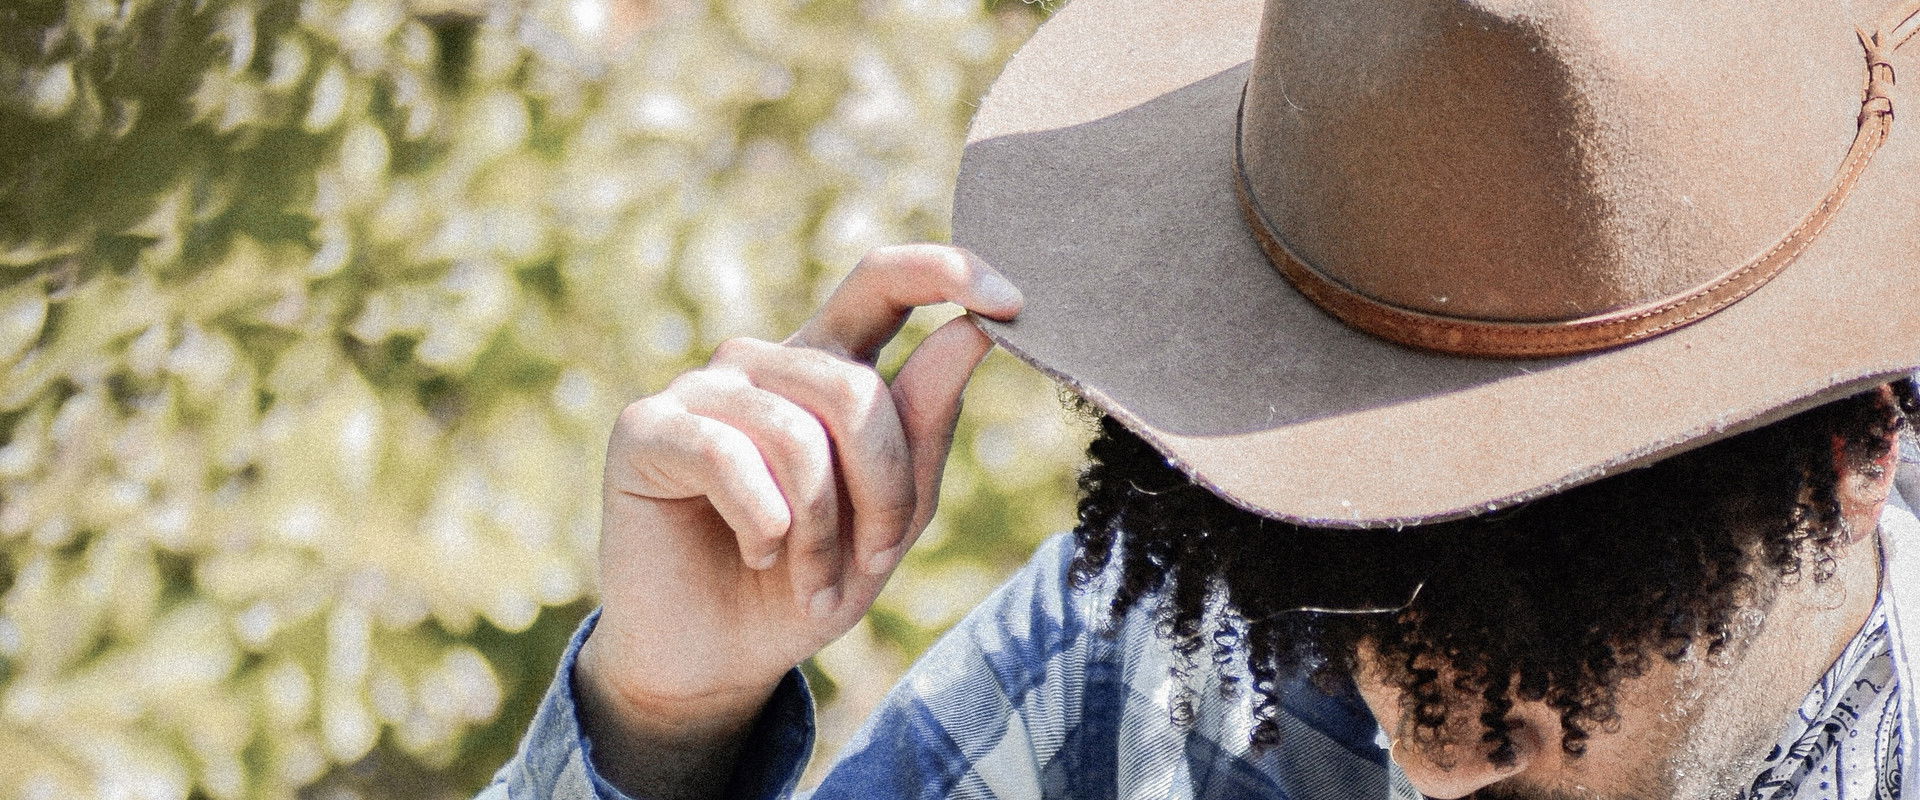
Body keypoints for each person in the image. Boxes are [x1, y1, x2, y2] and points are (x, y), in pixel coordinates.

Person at [477, 0, 1920, 797]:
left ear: (1855, 450)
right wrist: (667, 726)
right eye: (1351, 582)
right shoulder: (1145, 672)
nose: (1428, 754)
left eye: (1553, 621)